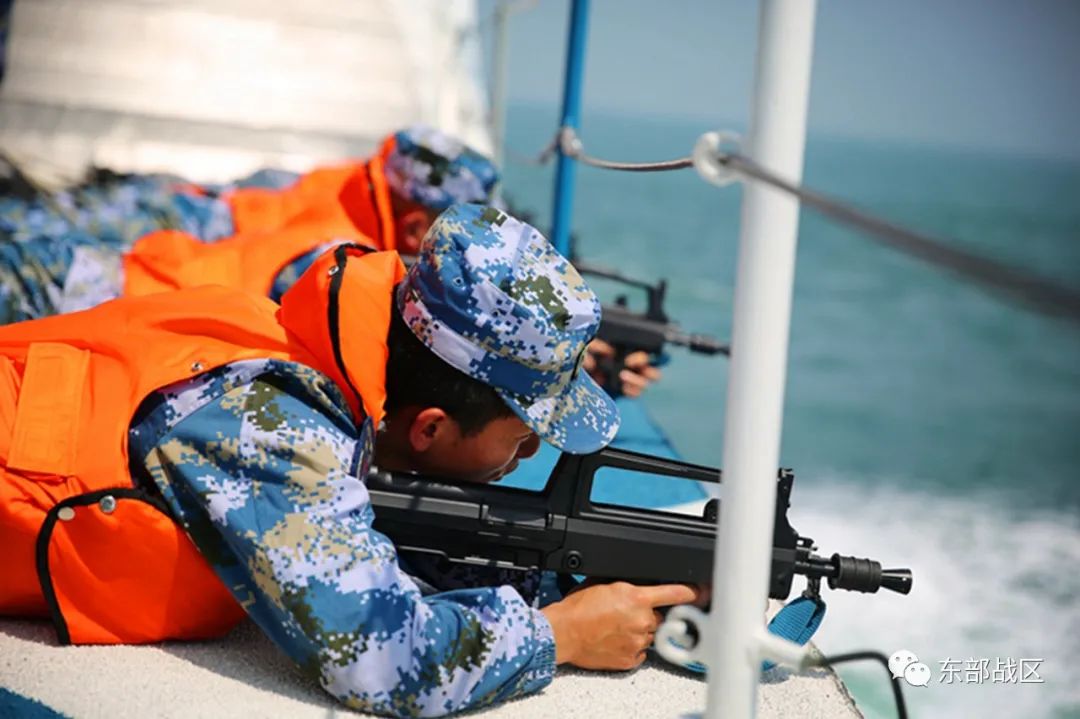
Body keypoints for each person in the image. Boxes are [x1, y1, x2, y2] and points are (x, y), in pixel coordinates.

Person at [0, 203, 698, 717]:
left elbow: (369, 536)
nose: (531, 453)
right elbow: (382, 659)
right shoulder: (272, 429)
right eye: (522, 437)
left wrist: (589, 580)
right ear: (429, 427)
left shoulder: (312, 354)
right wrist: (560, 634)